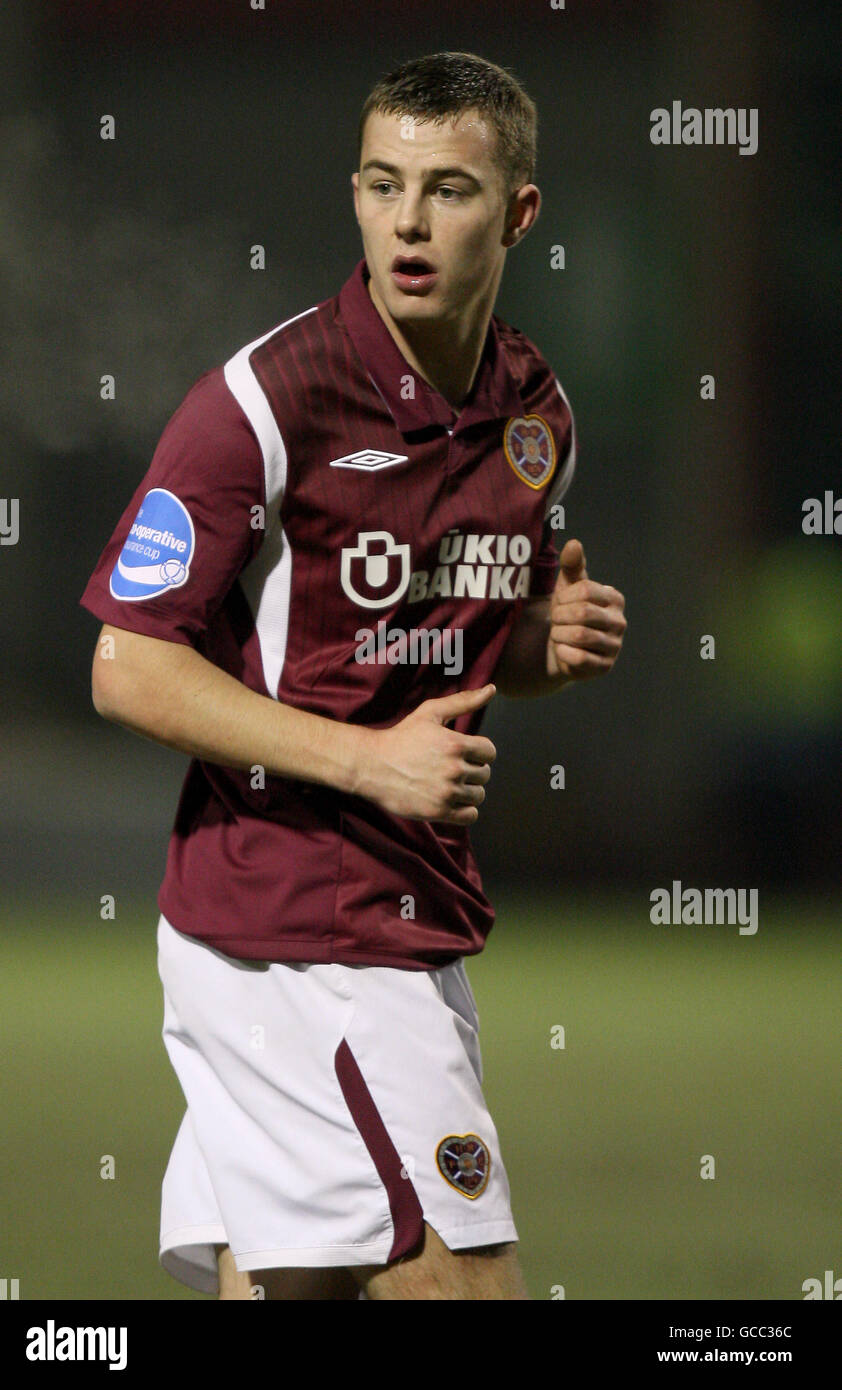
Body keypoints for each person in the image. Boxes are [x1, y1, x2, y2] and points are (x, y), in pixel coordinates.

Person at [80, 50, 626, 1301]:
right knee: (460, 1283)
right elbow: (127, 666)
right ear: (355, 195)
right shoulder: (265, 400)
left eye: (447, 190)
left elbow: (437, 649)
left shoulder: (535, 412)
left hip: (394, 912)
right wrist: (368, 762)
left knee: (289, 1287)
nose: (409, 222)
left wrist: (542, 642)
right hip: (303, 922)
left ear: (520, 213)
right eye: (384, 186)